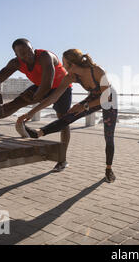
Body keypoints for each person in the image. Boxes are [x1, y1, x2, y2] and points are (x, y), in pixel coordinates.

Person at [17, 49, 118, 183]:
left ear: (72, 64)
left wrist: (84, 106)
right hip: (94, 98)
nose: (62, 67)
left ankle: (108, 169)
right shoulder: (70, 77)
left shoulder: (98, 70)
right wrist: (31, 113)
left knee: (108, 136)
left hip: (109, 100)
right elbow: (53, 97)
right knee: (68, 116)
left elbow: (106, 97)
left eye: (64, 64)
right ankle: (37, 133)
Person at [0, 38, 72, 172]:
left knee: (63, 121)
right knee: (14, 104)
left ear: (33, 49)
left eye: (29, 51)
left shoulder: (45, 57)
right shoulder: (15, 63)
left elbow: (47, 85)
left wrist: (32, 99)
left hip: (62, 87)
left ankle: (62, 160)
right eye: (23, 54)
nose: (28, 56)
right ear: (17, 56)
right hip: (40, 86)